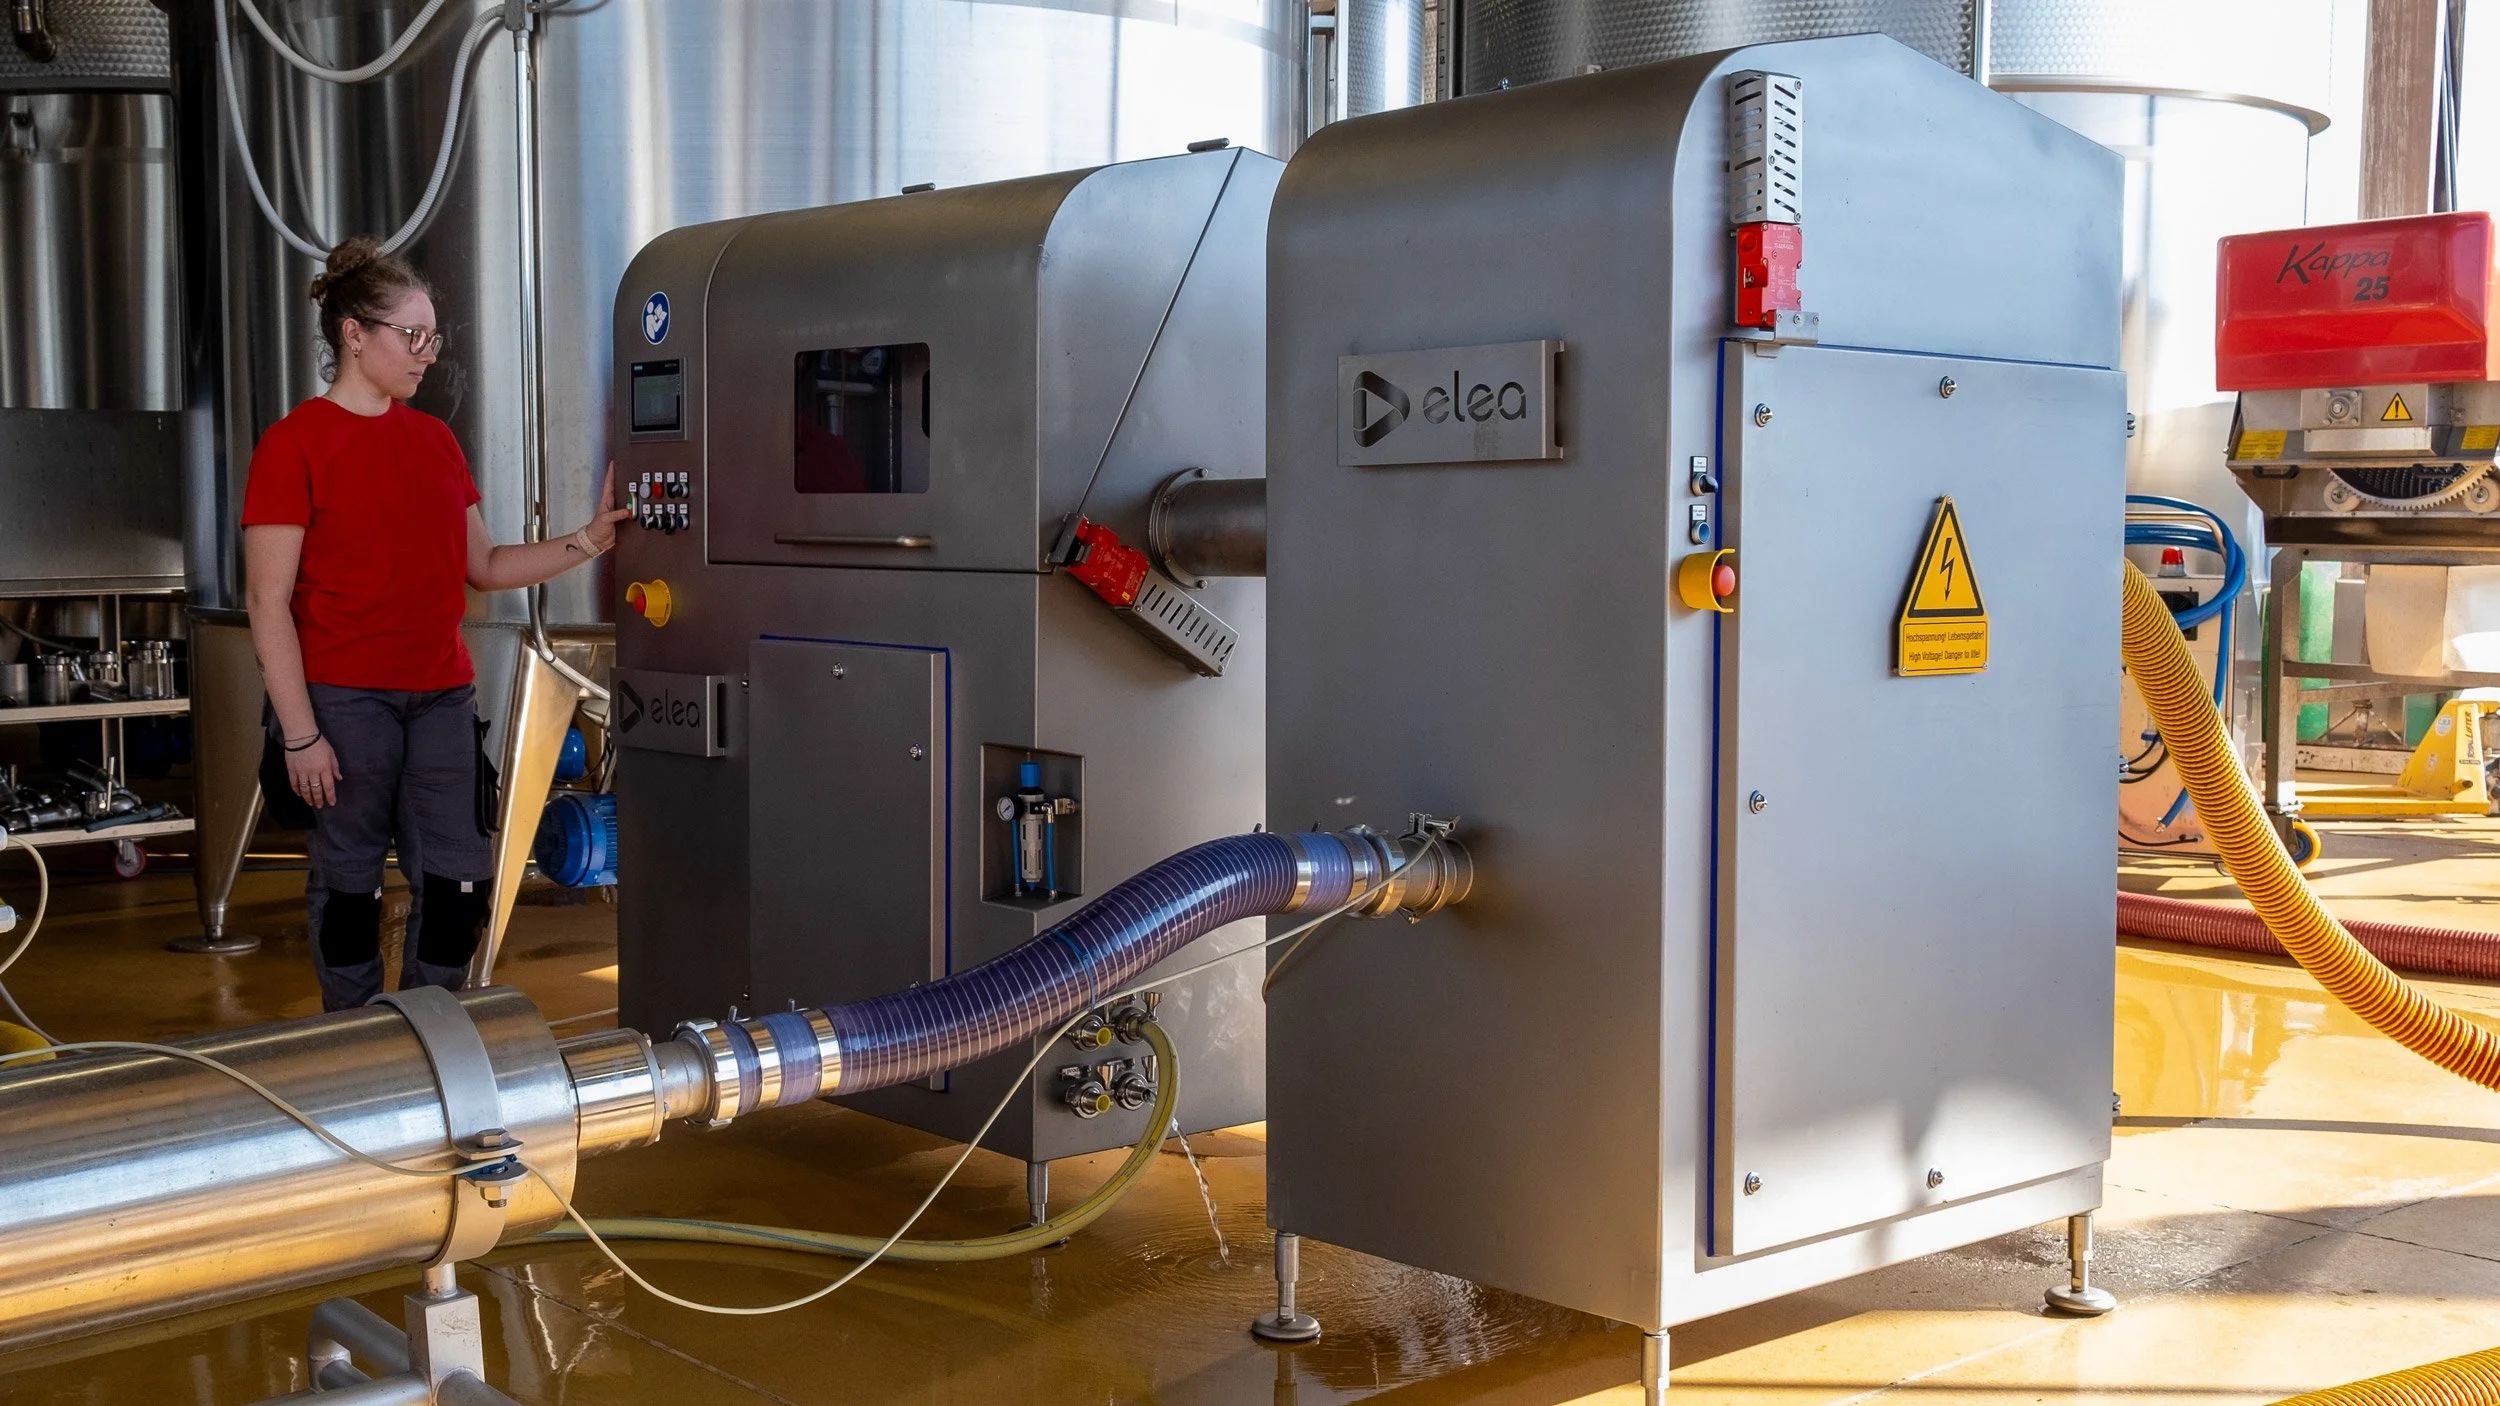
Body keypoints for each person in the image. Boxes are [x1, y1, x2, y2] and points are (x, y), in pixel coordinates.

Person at [241, 236, 629, 1011]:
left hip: (441, 697)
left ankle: (427, 1031)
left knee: (460, 886)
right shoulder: (294, 444)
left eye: (433, 338)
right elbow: (265, 601)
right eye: (411, 336)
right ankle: (357, 1040)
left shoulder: (435, 442)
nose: (427, 354)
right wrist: (301, 734)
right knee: (349, 888)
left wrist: (587, 542)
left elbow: (484, 565)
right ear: (354, 334)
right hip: (342, 701)